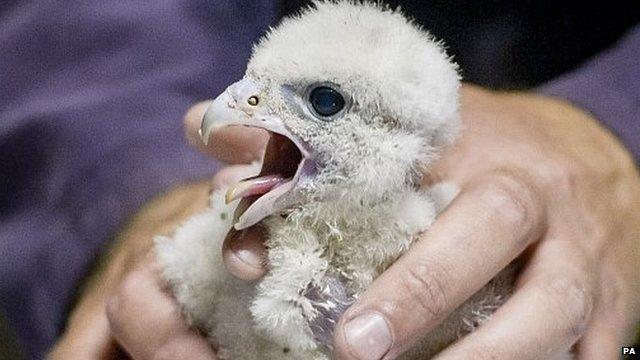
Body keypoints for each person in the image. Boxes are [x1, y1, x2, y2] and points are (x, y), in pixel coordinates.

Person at [0, 1, 637, 359]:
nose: (238, 104)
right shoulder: (213, 257)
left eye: (323, 103)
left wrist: (617, 118)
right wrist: (129, 180)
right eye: (252, 87)